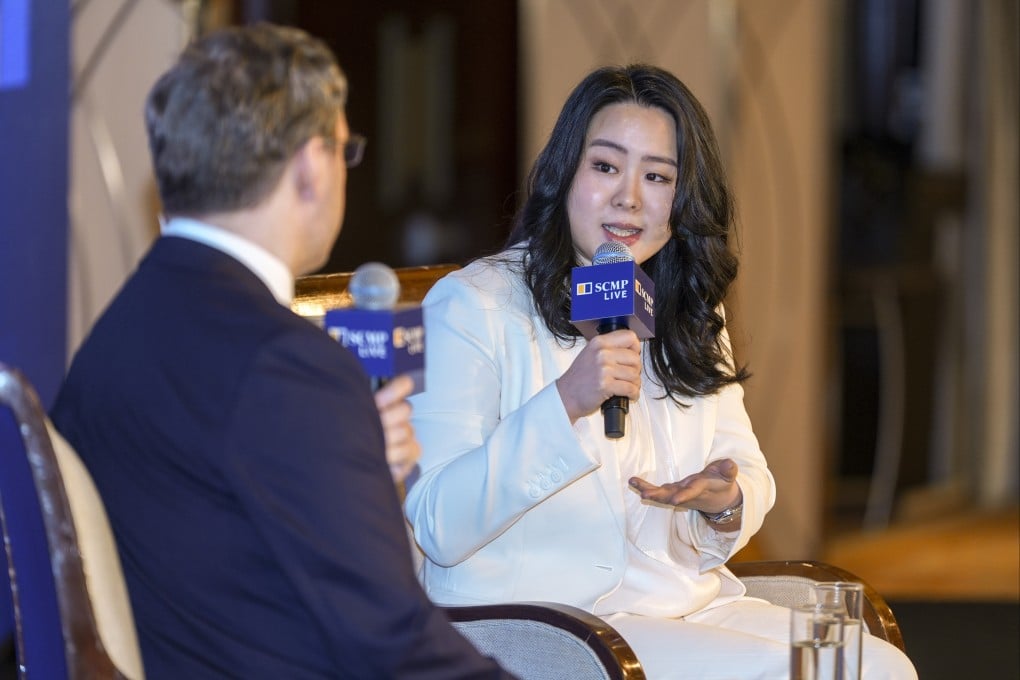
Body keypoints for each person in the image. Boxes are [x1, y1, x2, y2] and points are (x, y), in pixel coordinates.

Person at [403, 64, 918, 679]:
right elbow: (438, 522)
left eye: (657, 176)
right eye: (605, 167)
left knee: (873, 664)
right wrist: (565, 402)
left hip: (684, 610)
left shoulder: (689, 314)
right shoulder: (474, 305)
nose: (629, 197)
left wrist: (722, 499)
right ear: (564, 173)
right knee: (806, 674)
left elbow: (746, 471)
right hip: (553, 627)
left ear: (681, 201)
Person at [50, 23, 512, 679]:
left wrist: (353, 468)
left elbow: (213, 525)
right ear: (309, 167)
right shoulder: (286, 363)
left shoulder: (116, 332)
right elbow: (393, 646)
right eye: (346, 152)